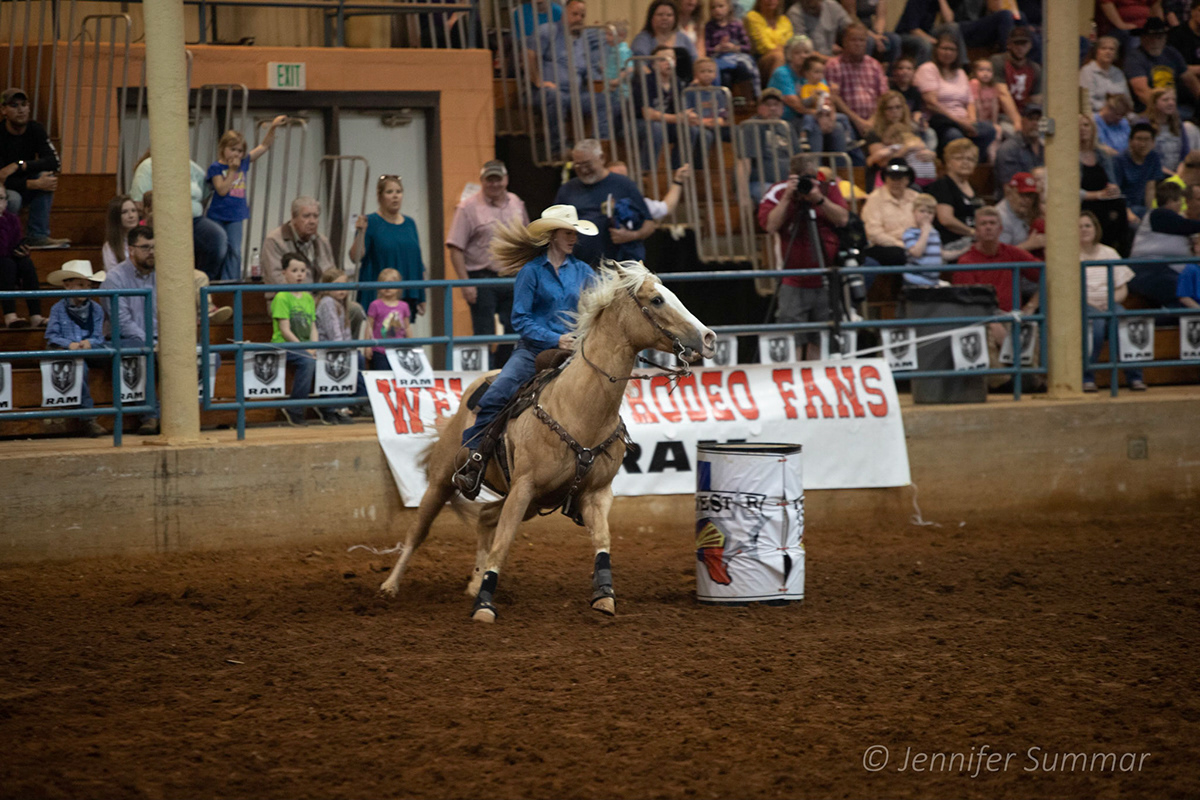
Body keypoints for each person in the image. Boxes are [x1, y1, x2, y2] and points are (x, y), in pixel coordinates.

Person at [453, 205, 598, 495]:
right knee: (497, 393)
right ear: (552, 235)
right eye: (568, 232)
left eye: (574, 233)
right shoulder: (531, 272)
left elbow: (596, 311)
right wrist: (555, 339)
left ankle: (594, 473)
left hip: (574, 352)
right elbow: (520, 318)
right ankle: (474, 458)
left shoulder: (584, 272)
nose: (573, 238)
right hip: (533, 351)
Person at [757, 153, 850, 360]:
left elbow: (843, 218)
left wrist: (819, 199)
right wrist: (788, 198)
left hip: (825, 277)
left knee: (821, 338)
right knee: (792, 340)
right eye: (802, 178)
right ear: (791, 176)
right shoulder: (778, 191)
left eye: (811, 176)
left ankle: (814, 384)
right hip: (793, 279)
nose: (807, 182)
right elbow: (770, 226)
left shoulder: (827, 188)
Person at [446, 159, 530, 370]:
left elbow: (527, 240)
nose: (494, 184)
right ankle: (483, 377)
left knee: (514, 329)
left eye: (498, 179)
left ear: (506, 180)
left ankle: (504, 371)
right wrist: (465, 284)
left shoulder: (517, 203)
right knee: (483, 332)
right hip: (481, 277)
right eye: (489, 180)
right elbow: (456, 247)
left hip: (512, 277)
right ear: (482, 181)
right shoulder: (468, 207)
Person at [954, 206, 1041, 370]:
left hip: (1013, 316)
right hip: (981, 319)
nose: (988, 227)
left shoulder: (1012, 253)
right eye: (983, 224)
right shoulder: (966, 261)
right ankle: (1001, 381)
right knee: (983, 336)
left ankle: (1030, 378)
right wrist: (992, 322)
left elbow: (1046, 275)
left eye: (992, 223)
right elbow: (965, 302)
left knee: (1031, 328)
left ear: (1000, 229)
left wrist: (1031, 306)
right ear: (976, 230)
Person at [205, 115, 286, 281]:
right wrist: (233, 171)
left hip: (236, 214)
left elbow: (263, 146)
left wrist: (273, 127)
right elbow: (221, 190)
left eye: (240, 151)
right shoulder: (216, 167)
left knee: (235, 249)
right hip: (217, 215)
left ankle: (231, 282)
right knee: (219, 249)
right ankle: (213, 278)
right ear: (223, 148)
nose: (236, 154)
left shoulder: (243, 162)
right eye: (232, 149)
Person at [99, 225, 163, 435]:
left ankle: (190, 412)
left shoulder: (164, 275)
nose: (152, 252)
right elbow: (122, 322)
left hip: (159, 337)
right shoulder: (115, 278)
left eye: (154, 247)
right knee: (140, 351)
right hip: (126, 339)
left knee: (208, 355)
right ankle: (151, 417)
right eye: (145, 247)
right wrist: (152, 344)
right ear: (131, 249)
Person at [526, 0, 609, 155]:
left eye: (582, 15)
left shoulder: (583, 39)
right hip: (547, 92)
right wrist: (538, 80)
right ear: (564, 13)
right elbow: (530, 55)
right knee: (554, 96)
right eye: (575, 14)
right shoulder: (548, 30)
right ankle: (558, 148)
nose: (579, 18)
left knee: (604, 100)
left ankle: (598, 147)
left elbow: (587, 69)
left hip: (575, 94)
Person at [555, 139, 655, 264]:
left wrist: (631, 235)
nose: (583, 170)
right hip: (579, 266)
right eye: (578, 165)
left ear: (602, 158)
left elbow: (649, 223)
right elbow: (555, 227)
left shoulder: (624, 185)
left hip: (619, 266)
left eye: (587, 164)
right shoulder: (567, 189)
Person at [130, 154, 228, 281]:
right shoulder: (147, 167)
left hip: (193, 219)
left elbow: (206, 192)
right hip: (163, 222)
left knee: (217, 237)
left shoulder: (192, 167)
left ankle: (206, 282)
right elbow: (139, 202)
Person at [1079, 211, 1146, 392]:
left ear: (1096, 229)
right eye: (1079, 226)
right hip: (1083, 305)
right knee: (1097, 325)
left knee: (1123, 319)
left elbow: (1122, 287)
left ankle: (1135, 377)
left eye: (1088, 225)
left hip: (1108, 302)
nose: (1084, 229)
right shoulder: (1070, 257)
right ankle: (1087, 378)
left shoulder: (1109, 252)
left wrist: (1109, 302)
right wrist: (1091, 304)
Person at [44, 260, 108, 437]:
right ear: (67, 285)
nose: (86, 289)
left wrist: (90, 342)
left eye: (88, 285)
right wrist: (69, 344)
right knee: (79, 367)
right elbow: (52, 335)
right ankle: (88, 418)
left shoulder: (96, 309)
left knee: (117, 355)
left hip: (87, 348)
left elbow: (98, 336)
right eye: (80, 285)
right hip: (69, 351)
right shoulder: (57, 308)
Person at [0, 87, 68, 249]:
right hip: (5, 188)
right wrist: (31, 184)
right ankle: (9, 239)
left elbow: (54, 162)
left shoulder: (35, 129)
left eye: (24, 105)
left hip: (23, 181)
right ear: (4, 110)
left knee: (47, 176)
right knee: (13, 199)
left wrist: (20, 165)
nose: (21, 110)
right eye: (14, 106)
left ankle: (37, 235)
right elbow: (2, 177)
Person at [350, 175, 426, 312]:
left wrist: (421, 295)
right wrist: (360, 233)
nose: (395, 196)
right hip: (378, 295)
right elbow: (355, 257)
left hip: (405, 294)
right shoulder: (370, 221)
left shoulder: (410, 223)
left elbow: (418, 261)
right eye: (389, 192)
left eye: (398, 192)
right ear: (380, 196)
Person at [914, 32, 996, 158]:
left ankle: (971, 164)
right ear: (936, 50)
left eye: (952, 49)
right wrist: (961, 123)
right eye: (944, 48)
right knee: (955, 136)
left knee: (989, 129)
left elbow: (970, 102)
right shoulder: (928, 69)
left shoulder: (961, 72)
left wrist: (971, 121)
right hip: (941, 121)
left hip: (963, 120)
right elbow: (932, 104)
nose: (948, 52)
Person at [632, 45, 704, 169]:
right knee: (656, 127)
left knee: (691, 130)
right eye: (663, 59)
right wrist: (678, 118)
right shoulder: (645, 82)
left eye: (672, 59)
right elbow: (648, 114)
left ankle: (678, 171)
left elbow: (681, 111)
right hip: (638, 123)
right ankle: (647, 172)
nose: (669, 62)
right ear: (653, 64)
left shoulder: (677, 82)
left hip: (666, 123)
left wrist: (689, 116)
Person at [1129, 179, 1200, 305]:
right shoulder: (1158, 215)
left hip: (1168, 270)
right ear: (1170, 201)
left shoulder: (1178, 220)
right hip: (1147, 269)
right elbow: (1185, 226)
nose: (1181, 204)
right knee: (1178, 287)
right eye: (1179, 200)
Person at [314, 268, 370, 422]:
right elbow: (333, 332)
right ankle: (330, 406)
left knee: (356, 358)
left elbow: (345, 332)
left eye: (345, 284)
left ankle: (355, 401)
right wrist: (346, 349)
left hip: (339, 346)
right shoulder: (327, 303)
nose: (342, 289)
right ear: (326, 286)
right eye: (337, 284)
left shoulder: (340, 304)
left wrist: (350, 348)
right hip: (328, 347)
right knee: (343, 361)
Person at [272, 252, 321, 427]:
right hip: (283, 344)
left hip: (305, 345)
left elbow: (313, 326)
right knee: (307, 361)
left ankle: (328, 407)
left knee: (333, 356)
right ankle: (295, 409)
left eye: (302, 270)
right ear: (284, 272)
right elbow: (285, 330)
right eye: (294, 270)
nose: (299, 274)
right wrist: (306, 350)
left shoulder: (308, 297)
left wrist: (314, 346)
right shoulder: (282, 297)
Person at [825, 23, 890, 139]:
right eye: (853, 40)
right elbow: (834, 98)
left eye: (862, 40)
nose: (858, 44)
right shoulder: (834, 65)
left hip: (875, 121)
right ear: (844, 42)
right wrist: (858, 121)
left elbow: (883, 96)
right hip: (848, 122)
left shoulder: (874, 65)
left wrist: (872, 121)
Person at [737, 88, 800, 204]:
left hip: (787, 183)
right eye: (767, 105)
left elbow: (797, 160)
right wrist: (743, 196)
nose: (772, 108)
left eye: (776, 104)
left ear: (782, 108)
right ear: (759, 108)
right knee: (779, 197)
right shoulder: (752, 126)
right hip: (761, 183)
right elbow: (744, 163)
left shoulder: (787, 127)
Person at [1125, 17, 1200, 113]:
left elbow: (1190, 80)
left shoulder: (1171, 53)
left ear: (1165, 39)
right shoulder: (1135, 58)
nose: (1155, 42)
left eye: (1159, 37)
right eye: (1150, 37)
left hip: (1174, 105)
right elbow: (1141, 91)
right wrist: (1165, 112)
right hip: (1148, 110)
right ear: (1142, 38)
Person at [925, 137, 982, 262]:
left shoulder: (974, 187)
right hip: (951, 243)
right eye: (959, 158)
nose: (965, 162)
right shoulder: (942, 185)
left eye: (970, 159)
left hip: (974, 239)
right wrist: (973, 233)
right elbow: (946, 219)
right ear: (948, 162)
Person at [1079, 113, 1129, 253]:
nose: (1082, 129)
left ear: (1093, 129)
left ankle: (1120, 254)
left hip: (1104, 200)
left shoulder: (1103, 154)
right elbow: (1069, 191)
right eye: (1078, 126)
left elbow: (1112, 181)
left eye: (1086, 125)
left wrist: (1113, 189)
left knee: (1119, 203)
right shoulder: (1069, 157)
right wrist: (1097, 195)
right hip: (1083, 202)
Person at [862, 157, 920, 265]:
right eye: (892, 178)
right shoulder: (875, 199)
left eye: (900, 178)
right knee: (898, 254)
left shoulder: (916, 198)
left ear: (908, 179)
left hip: (915, 244)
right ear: (886, 179)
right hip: (884, 246)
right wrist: (901, 245)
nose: (896, 182)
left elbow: (925, 224)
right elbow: (874, 233)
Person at [0, 189, 41, 328]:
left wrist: (22, 251)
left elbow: (14, 243)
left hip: (6, 260)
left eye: (1, 198)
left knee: (26, 263)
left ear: (6, 202)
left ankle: (36, 316)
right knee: (7, 265)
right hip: (4, 263)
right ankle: (9, 315)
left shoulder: (11, 219)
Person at [969, 57, 1022, 162]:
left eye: (989, 70)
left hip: (990, 120)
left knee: (998, 129)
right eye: (981, 70)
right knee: (992, 130)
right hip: (978, 119)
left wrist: (994, 122)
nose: (985, 73)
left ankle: (994, 157)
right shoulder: (974, 83)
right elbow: (976, 104)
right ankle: (990, 157)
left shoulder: (993, 86)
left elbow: (995, 106)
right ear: (975, 72)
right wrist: (979, 122)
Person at [633, 0, 699, 82]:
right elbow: (640, 65)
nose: (665, 18)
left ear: (675, 18)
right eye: (660, 15)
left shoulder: (684, 38)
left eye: (669, 15)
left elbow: (695, 63)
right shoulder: (642, 39)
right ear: (651, 17)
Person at [705, 0, 761, 91]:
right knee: (724, 76)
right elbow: (706, 49)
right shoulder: (709, 27)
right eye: (713, 8)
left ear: (728, 7)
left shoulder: (736, 25)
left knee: (744, 68)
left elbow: (747, 47)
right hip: (718, 59)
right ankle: (723, 100)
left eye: (721, 6)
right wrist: (717, 49)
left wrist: (734, 47)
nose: (717, 10)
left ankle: (751, 98)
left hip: (736, 57)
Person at [1116, 121, 1167, 222]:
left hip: (1141, 208)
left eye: (1147, 140)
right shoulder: (1119, 160)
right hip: (1123, 208)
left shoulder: (1153, 158)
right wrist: (1128, 212)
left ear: (1153, 143)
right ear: (1130, 141)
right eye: (1139, 139)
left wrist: (1150, 213)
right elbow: (1116, 192)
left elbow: (1150, 188)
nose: (1143, 144)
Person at [608, 162, 690, 219]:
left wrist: (678, 180)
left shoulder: (636, 203)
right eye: (615, 177)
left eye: (623, 178)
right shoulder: (597, 199)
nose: (620, 181)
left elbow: (667, 207)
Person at [989, 26, 1041, 117]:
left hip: (1024, 114)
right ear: (1009, 45)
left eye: (1024, 44)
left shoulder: (1035, 68)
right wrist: (1017, 121)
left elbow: (1036, 99)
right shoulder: (998, 61)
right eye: (1017, 43)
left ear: (1030, 45)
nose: (1020, 48)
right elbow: (1002, 94)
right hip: (999, 113)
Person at [366, 268, 411, 371]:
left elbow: (407, 327)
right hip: (380, 350)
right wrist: (367, 346)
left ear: (399, 287)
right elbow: (369, 326)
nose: (387, 287)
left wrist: (411, 345)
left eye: (391, 283)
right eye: (383, 283)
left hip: (399, 350)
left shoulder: (403, 306)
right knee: (382, 376)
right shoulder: (375, 305)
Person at [1145, 87, 1199, 172]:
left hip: (1177, 173)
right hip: (1155, 174)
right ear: (1154, 103)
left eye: (1173, 100)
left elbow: (1185, 153)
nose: (1171, 103)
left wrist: (1179, 175)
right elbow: (1147, 159)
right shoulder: (1145, 125)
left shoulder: (1178, 124)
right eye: (1165, 100)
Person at [994, 102, 1043, 189]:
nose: (1035, 123)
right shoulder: (1008, 149)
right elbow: (1010, 187)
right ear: (1022, 121)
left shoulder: (1045, 148)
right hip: (1014, 199)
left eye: (1038, 119)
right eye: (1031, 119)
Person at [1080, 36, 1132, 114]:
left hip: (1119, 115)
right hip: (1097, 115)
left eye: (1112, 49)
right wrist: (1110, 108)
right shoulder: (1087, 71)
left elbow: (1127, 98)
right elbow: (1088, 101)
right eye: (1103, 48)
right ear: (1097, 51)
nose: (1108, 52)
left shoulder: (1118, 73)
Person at [995, 171, 1043, 253]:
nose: (1027, 200)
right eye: (1022, 195)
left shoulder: (1026, 210)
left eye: (1030, 196)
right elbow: (999, 257)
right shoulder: (1000, 217)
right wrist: (1029, 245)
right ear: (1009, 193)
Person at [744, 0, 793, 80]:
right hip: (759, 59)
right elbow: (763, 47)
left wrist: (783, 50)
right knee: (778, 56)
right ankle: (774, 90)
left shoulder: (784, 20)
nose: (771, 1)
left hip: (785, 56)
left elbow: (790, 44)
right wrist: (781, 49)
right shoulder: (752, 16)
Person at [902, 192, 944, 285]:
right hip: (914, 280)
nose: (926, 215)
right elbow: (917, 253)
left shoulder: (935, 233)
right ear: (914, 212)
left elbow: (941, 254)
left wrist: (963, 250)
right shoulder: (909, 233)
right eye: (922, 211)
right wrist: (925, 232)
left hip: (933, 281)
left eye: (930, 213)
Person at [787, 0, 851, 57]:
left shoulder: (832, 6)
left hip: (830, 57)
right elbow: (801, 49)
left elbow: (851, 29)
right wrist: (830, 61)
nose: (810, 3)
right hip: (808, 63)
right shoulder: (795, 13)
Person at [102, 195, 140, 273]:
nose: (131, 216)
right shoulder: (110, 246)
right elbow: (113, 275)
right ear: (116, 217)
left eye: (133, 210)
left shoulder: (146, 239)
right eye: (124, 212)